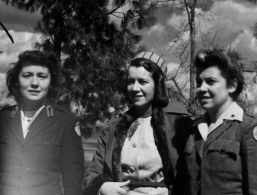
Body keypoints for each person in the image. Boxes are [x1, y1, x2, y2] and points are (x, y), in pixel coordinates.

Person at [83, 52, 191, 195]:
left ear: (157, 84)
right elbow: (92, 172)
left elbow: (192, 176)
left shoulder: (178, 124)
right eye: (130, 81)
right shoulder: (113, 128)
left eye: (143, 82)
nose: (134, 88)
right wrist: (102, 187)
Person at [0, 50, 84, 195]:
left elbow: (73, 186)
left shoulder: (66, 122)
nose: (34, 83)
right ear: (17, 80)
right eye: (27, 76)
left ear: (51, 82)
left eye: (42, 77)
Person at [183, 49, 257, 195]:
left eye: (211, 81)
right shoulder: (193, 128)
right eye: (199, 82)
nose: (201, 89)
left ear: (232, 85)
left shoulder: (248, 127)